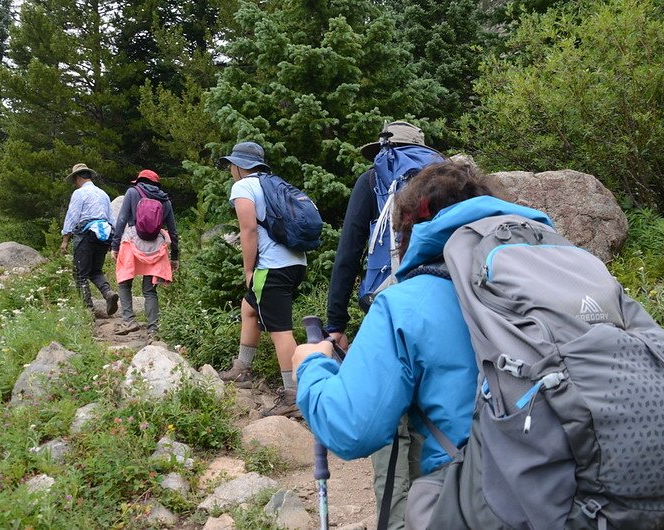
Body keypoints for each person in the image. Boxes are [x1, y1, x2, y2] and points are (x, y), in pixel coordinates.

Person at [292, 160, 554, 529]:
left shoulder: (405, 302)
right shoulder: (559, 275)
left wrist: (311, 366)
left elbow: (352, 430)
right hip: (569, 484)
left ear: (409, 232)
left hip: (482, 501)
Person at [325, 121, 443, 529]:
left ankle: (393, 523)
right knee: (427, 426)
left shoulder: (374, 177)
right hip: (440, 307)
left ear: (383, 148)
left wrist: (334, 322)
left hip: (388, 307)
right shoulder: (445, 182)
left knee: (391, 433)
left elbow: (348, 253)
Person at [217, 141, 307, 417]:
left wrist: (248, 269)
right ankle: (242, 368)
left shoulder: (243, 186)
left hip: (272, 268)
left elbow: (248, 230)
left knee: (280, 330)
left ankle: (292, 395)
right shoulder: (273, 183)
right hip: (296, 262)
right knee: (250, 308)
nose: (231, 170)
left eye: (231, 165)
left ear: (239, 165)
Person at [110, 169, 179, 340]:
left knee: (124, 282)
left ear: (139, 181)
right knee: (149, 291)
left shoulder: (132, 192)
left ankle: (129, 320)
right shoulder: (165, 200)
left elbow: (122, 220)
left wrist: (115, 245)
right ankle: (153, 330)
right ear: (156, 184)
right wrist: (175, 256)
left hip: (132, 242)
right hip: (156, 246)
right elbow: (173, 231)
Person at [60, 163, 119, 315]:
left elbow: (72, 216)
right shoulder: (103, 194)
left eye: (75, 180)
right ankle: (108, 293)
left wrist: (65, 239)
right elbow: (111, 219)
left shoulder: (79, 193)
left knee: (80, 274)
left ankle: (88, 310)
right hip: (104, 235)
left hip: (86, 235)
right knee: (95, 271)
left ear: (79, 177)